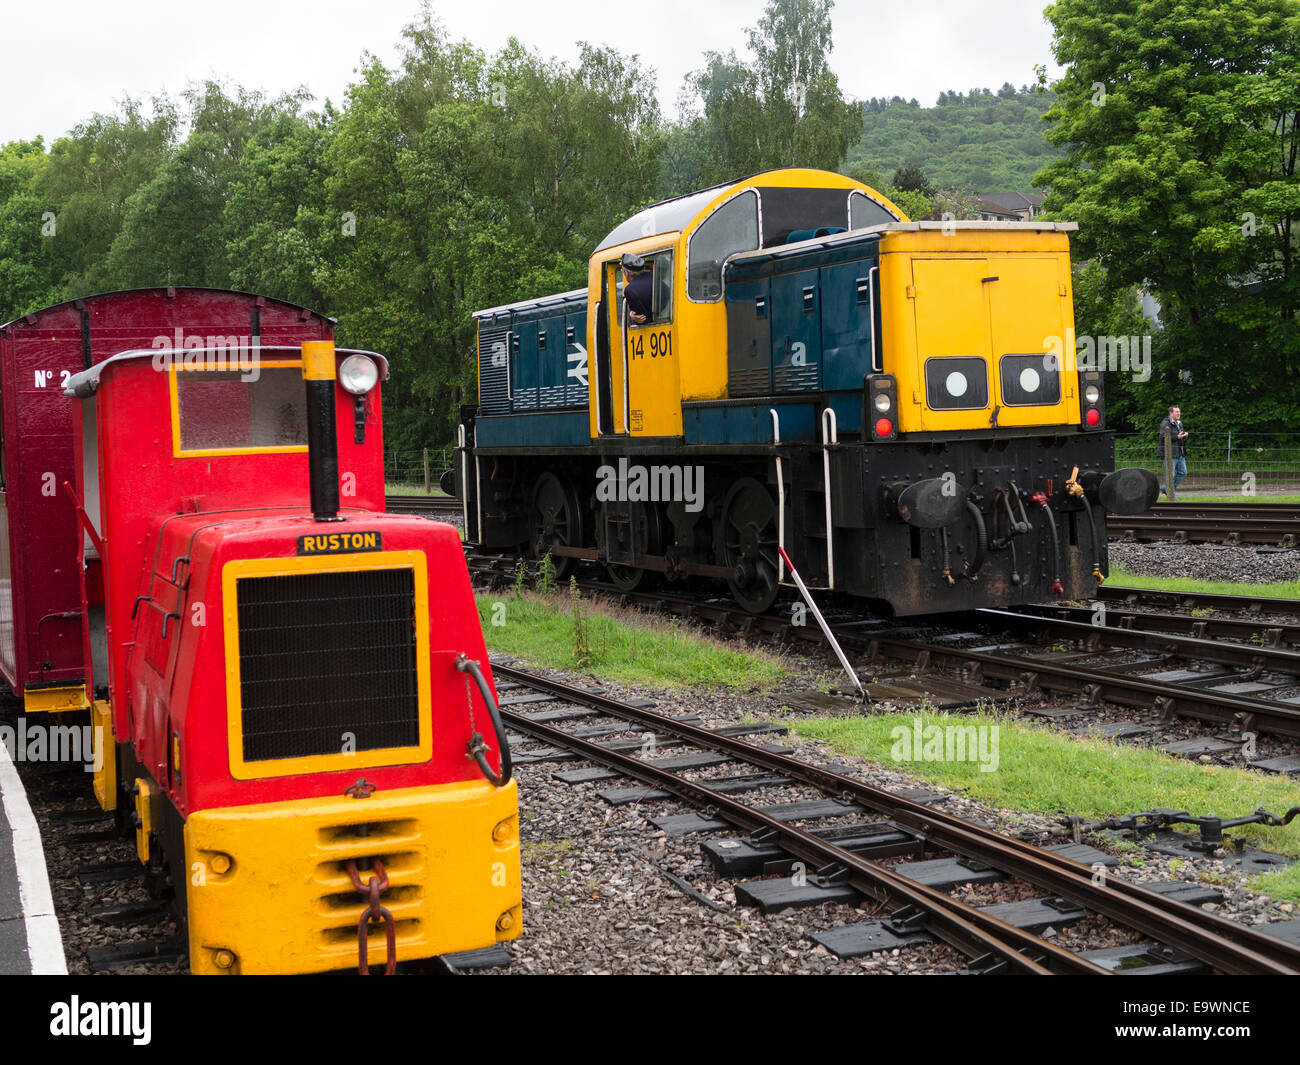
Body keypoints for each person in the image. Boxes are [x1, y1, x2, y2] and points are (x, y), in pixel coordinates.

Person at [1156, 404, 1188, 496]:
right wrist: (1177, 437)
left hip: (1180, 453)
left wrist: (1183, 435)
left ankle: (1167, 488)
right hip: (1169, 454)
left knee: (1183, 472)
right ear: (1171, 413)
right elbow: (1163, 437)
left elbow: (1179, 437)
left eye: (1179, 411)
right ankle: (1172, 498)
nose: (1179, 413)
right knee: (1170, 476)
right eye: (1176, 412)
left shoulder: (1179, 423)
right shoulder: (1165, 423)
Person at [621, 252, 653, 325]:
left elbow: (641, 318)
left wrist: (632, 317)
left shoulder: (630, 290)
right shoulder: (654, 276)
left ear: (626, 273)